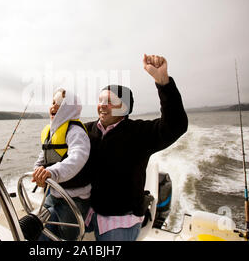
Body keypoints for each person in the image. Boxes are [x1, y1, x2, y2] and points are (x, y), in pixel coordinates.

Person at [84, 54, 188, 241]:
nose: (102, 106)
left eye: (109, 101)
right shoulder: (86, 130)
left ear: (123, 107)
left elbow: (176, 125)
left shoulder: (139, 133)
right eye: (100, 100)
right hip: (88, 211)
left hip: (121, 218)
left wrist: (163, 82)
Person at [32, 88, 91, 240]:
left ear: (69, 108)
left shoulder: (75, 132)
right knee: (37, 224)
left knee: (67, 235)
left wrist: (52, 173)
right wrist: (37, 171)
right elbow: (43, 156)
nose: (54, 106)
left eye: (60, 103)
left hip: (75, 199)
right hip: (54, 193)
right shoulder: (50, 132)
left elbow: (77, 157)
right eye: (53, 102)